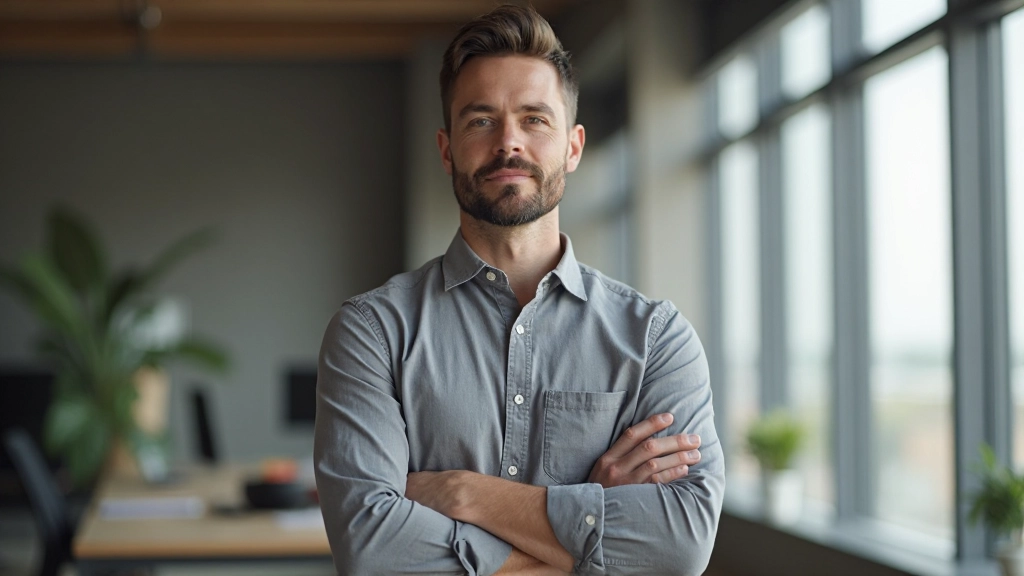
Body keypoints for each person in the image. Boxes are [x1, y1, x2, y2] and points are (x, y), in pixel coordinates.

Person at [313, 5, 724, 575]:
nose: (509, 143)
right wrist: (582, 526)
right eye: (481, 121)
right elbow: (371, 550)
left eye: (534, 119)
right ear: (447, 149)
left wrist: (465, 494)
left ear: (573, 147)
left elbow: (681, 547)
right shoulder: (372, 332)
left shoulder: (656, 339)